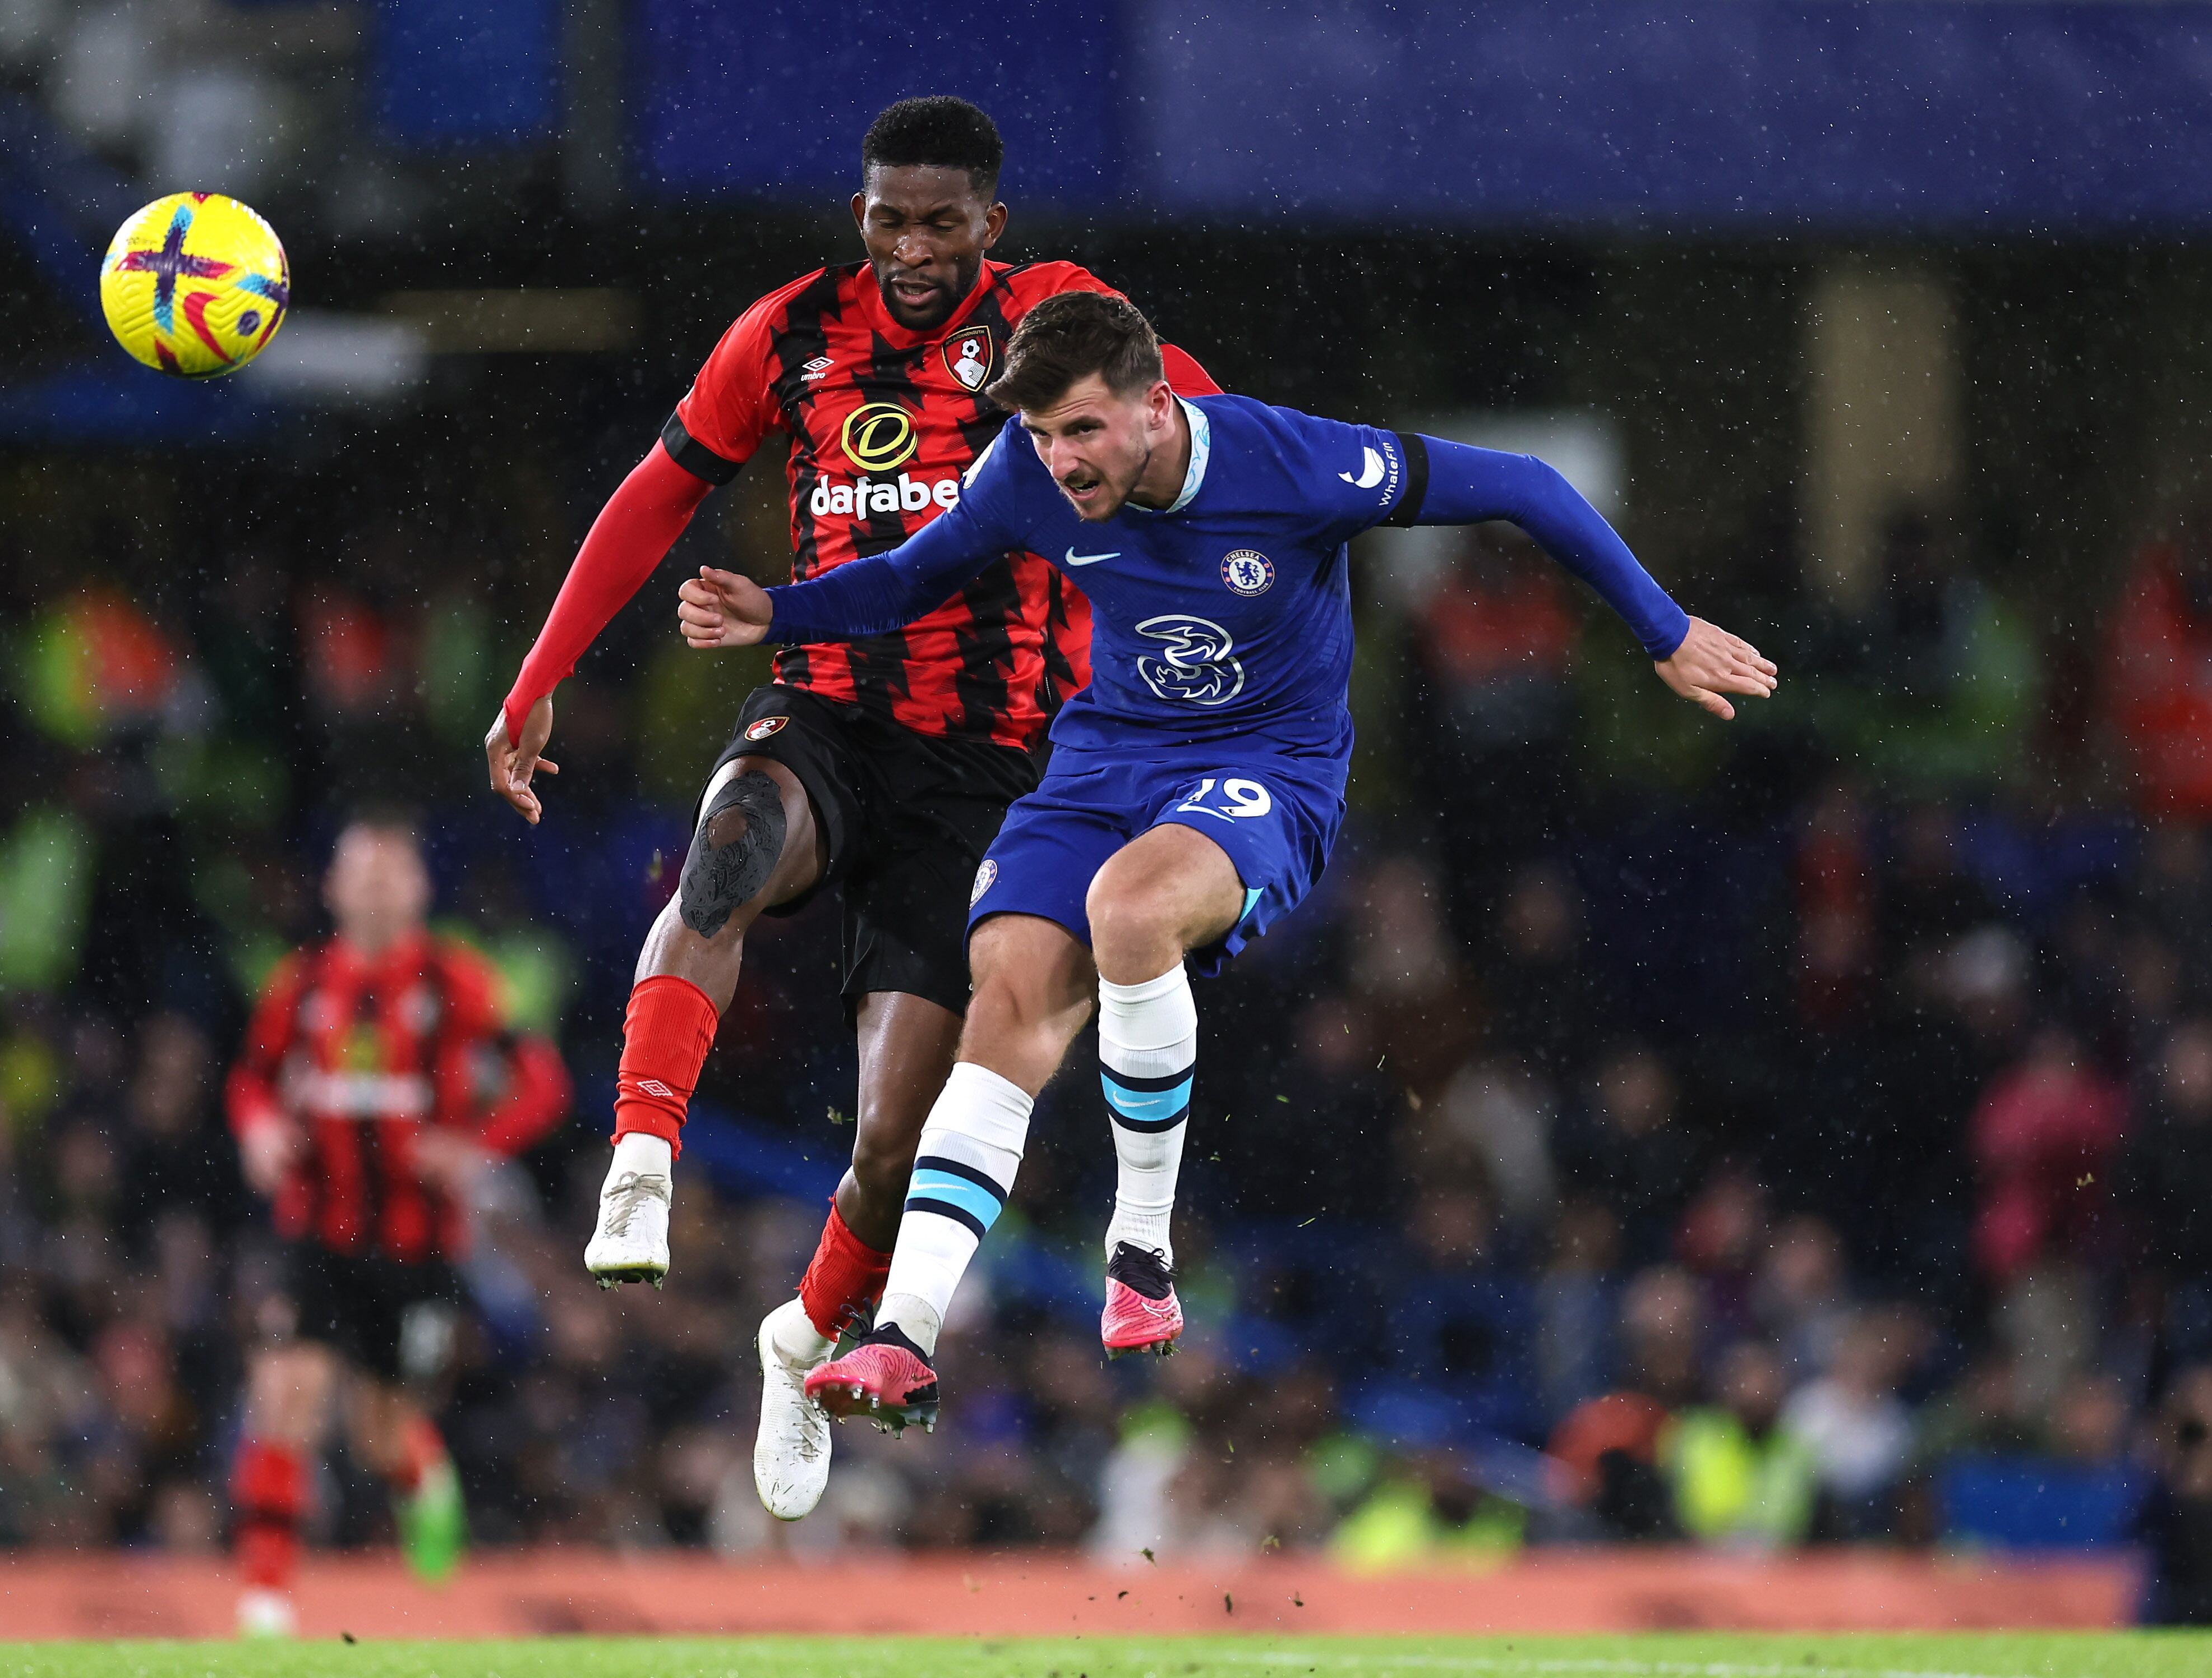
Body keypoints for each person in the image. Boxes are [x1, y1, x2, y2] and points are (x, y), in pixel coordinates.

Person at [676, 291, 1773, 1430]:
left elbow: (1526, 486)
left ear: (1158, 406)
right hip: (1104, 759)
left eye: (1083, 429)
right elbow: (911, 576)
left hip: (1267, 766)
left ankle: (1140, 1248)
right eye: (1043, 434)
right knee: (1000, 999)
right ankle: (903, 1334)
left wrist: (1664, 629)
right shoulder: (1025, 469)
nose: (1059, 458)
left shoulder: (1289, 462)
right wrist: (779, 606)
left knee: (1129, 909)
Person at [482, 98, 1215, 1518]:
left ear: (992, 226)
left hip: (997, 765)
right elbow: (654, 493)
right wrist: (540, 673)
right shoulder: (791, 333)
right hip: (824, 707)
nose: (914, 246)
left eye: (943, 222)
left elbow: (1206, 432)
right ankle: (643, 1157)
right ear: (860, 214)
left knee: (895, 1139)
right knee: (726, 848)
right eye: (890, 217)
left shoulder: (1061, 322)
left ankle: (801, 1334)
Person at [223, 814, 572, 1635]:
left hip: (415, 1247)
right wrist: (262, 1132)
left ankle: (424, 1479)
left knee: (379, 1429)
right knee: (286, 1394)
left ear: (419, 888)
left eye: (392, 876)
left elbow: (541, 1082)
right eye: (363, 876)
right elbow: (252, 1083)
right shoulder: (301, 987)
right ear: (334, 889)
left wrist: (476, 1146)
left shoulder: (459, 984)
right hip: (312, 1230)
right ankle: (266, 1606)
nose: (378, 891)